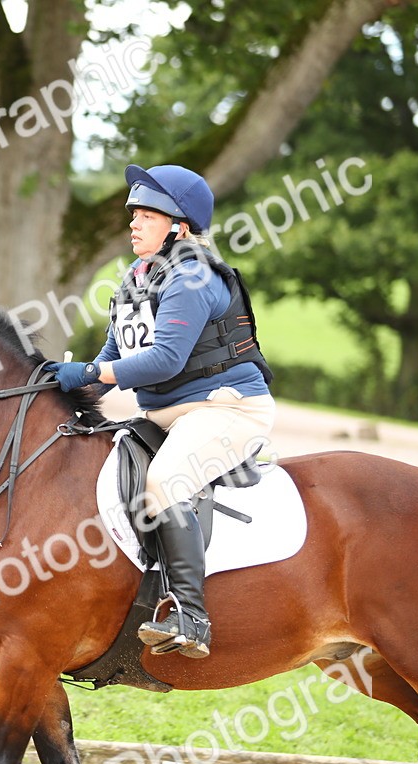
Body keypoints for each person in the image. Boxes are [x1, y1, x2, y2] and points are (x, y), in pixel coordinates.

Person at [45, 164, 275, 658]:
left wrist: (87, 373)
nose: (133, 223)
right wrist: (59, 393)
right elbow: (113, 356)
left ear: (180, 226)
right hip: (168, 414)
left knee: (166, 480)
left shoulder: (192, 276)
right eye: (134, 213)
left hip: (227, 410)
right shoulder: (136, 277)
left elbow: (163, 360)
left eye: (147, 214)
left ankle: (192, 617)